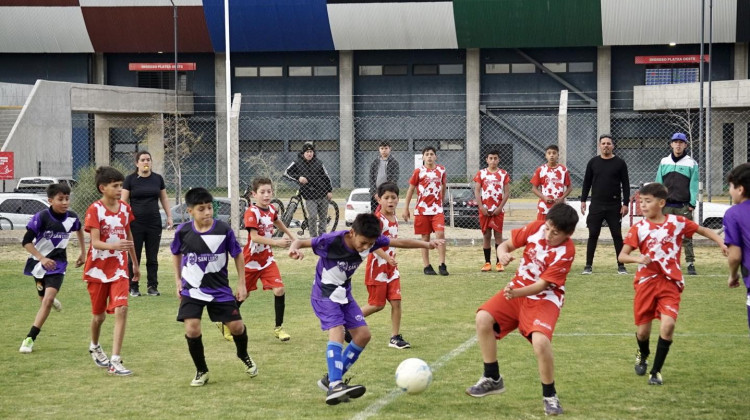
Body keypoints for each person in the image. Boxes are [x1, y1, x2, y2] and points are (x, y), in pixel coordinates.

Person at [288, 213, 442, 405]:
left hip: (345, 294)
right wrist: (294, 250)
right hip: (325, 294)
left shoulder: (372, 241)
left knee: (363, 335)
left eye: (370, 244)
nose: (366, 248)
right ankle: (335, 384)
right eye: (362, 243)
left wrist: (426, 244)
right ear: (352, 233)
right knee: (337, 330)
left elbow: (398, 242)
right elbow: (301, 242)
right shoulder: (332, 240)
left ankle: (330, 379)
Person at [465, 203, 578, 417]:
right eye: (548, 228)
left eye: (556, 233)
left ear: (568, 234)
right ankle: (492, 378)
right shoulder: (536, 228)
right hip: (517, 289)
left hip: (544, 298)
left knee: (541, 342)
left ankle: (550, 396)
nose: (549, 234)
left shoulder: (567, 251)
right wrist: (503, 254)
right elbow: (505, 246)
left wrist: (517, 293)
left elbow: (543, 285)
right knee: (483, 318)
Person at [618, 183, 726, 386]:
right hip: (645, 283)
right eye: (641, 201)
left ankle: (656, 371)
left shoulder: (677, 222)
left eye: (647, 201)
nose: (642, 205)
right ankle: (643, 354)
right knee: (643, 332)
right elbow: (622, 256)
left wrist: (721, 242)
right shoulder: (638, 228)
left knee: (668, 325)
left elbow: (703, 230)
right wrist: (638, 259)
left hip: (670, 283)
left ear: (661, 203)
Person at [171, 187, 258, 386]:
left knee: (237, 327)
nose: (208, 212)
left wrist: (242, 284)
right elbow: (176, 253)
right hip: (192, 289)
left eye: (210, 207)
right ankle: (201, 370)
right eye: (201, 209)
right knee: (192, 329)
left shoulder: (223, 229)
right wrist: (178, 280)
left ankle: (243, 354)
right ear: (190, 211)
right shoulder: (183, 231)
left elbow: (237, 254)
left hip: (219, 289)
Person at [82, 166, 140, 376]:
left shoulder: (125, 209)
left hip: (119, 269)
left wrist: (135, 264)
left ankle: (115, 360)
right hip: (97, 271)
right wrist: (114, 246)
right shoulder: (94, 210)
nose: (119, 189)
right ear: (102, 188)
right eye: (115, 186)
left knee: (122, 308)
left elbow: (129, 236)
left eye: (121, 185)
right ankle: (95, 346)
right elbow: (96, 243)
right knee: (98, 317)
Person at [18, 184, 85, 354]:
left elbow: (79, 230)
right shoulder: (41, 217)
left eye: (67, 199)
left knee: (46, 301)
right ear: (50, 200)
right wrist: (41, 258)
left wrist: (83, 253)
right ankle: (51, 300)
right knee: (44, 301)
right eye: (60, 199)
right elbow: (26, 242)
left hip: (58, 264)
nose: (65, 202)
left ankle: (30, 338)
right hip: (38, 265)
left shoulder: (72, 217)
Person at [235, 177, 296, 342]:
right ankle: (226, 320)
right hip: (250, 261)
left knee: (279, 289)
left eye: (269, 191)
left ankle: (279, 328)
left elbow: (277, 221)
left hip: (267, 260)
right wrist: (277, 242)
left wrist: (292, 237)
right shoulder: (251, 212)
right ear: (254, 194)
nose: (266, 195)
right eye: (262, 192)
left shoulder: (271, 209)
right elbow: (254, 237)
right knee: (243, 295)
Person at [361, 182, 410, 349]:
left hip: (391, 269)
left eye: (393, 197)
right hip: (377, 269)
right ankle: (349, 322)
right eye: (386, 198)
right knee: (377, 305)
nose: (390, 201)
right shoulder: (377, 220)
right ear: (378, 199)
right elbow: (371, 244)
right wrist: (387, 258)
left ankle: (395, 337)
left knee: (396, 302)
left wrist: (391, 260)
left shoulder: (394, 217)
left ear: (398, 199)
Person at [123, 150, 173, 297]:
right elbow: (123, 201)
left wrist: (169, 216)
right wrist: (122, 219)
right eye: (143, 160)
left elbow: (164, 199)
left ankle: (152, 286)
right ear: (137, 163)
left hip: (154, 223)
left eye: (148, 160)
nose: (146, 162)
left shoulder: (157, 179)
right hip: (135, 224)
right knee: (134, 256)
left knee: (152, 257)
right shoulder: (130, 179)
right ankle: (133, 287)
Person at [580, 134, 630, 275]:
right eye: (603, 143)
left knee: (617, 236)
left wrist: (625, 204)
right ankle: (588, 266)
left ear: (613, 146)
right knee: (593, 235)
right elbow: (586, 183)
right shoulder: (593, 162)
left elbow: (625, 184)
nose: (606, 145)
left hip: (614, 206)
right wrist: (583, 200)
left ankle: (621, 266)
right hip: (596, 205)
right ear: (599, 145)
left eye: (609, 143)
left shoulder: (620, 163)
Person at [655, 133, 699, 275]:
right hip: (666, 205)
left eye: (681, 142)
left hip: (683, 206)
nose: (678, 145)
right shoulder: (664, 161)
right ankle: (663, 262)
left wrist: (692, 203)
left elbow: (694, 184)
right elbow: (658, 183)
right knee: (664, 235)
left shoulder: (691, 163)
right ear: (671, 144)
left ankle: (690, 263)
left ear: (686, 145)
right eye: (675, 142)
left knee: (687, 236)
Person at [403, 146, 448, 276]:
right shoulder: (418, 172)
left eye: (431, 154)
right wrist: (406, 207)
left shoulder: (441, 170)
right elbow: (411, 189)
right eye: (427, 154)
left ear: (435, 157)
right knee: (425, 238)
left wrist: (441, 201)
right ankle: (427, 266)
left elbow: (443, 186)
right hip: (422, 210)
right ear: (423, 157)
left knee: (440, 234)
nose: (429, 156)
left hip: (436, 209)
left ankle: (442, 264)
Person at [283, 143, 333, 237]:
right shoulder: (297, 162)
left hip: (323, 194)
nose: (309, 154)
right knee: (313, 216)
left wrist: (329, 191)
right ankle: (313, 238)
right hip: (309, 195)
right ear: (303, 153)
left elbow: (327, 177)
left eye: (311, 151)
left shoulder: (319, 163)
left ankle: (322, 237)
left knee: (323, 218)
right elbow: (286, 173)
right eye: (307, 152)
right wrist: (299, 178)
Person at [473, 150, 510, 273]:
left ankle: (499, 262)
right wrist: (481, 207)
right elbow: (477, 191)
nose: (493, 160)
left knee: (498, 235)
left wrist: (499, 208)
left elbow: (507, 193)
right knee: (486, 235)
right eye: (491, 158)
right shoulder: (481, 173)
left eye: (495, 158)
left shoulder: (503, 174)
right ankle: (487, 262)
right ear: (487, 160)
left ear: (499, 160)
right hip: (485, 210)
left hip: (497, 210)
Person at [723, 163, 750, 335]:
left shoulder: (734, 214)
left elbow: (734, 256)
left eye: (731, 187)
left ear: (740, 189)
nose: (729, 191)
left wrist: (733, 275)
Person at [531, 145, 572, 221]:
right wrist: (544, 197)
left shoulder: (563, 170)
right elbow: (534, 189)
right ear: (545, 156)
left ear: (558, 155)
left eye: (554, 153)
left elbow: (569, 188)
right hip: (544, 207)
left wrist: (562, 198)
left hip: (558, 207)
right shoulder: (540, 170)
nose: (551, 155)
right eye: (549, 153)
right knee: (542, 229)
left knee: (558, 230)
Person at [369, 141, 400, 213]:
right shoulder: (375, 162)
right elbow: (371, 179)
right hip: (376, 193)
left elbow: (394, 178)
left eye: (386, 148)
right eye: (382, 148)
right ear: (379, 149)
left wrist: (388, 192)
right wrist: (375, 193)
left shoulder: (394, 162)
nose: (384, 150)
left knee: (388, 212)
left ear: (390, 149)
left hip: (388, 192)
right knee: (375, 214)